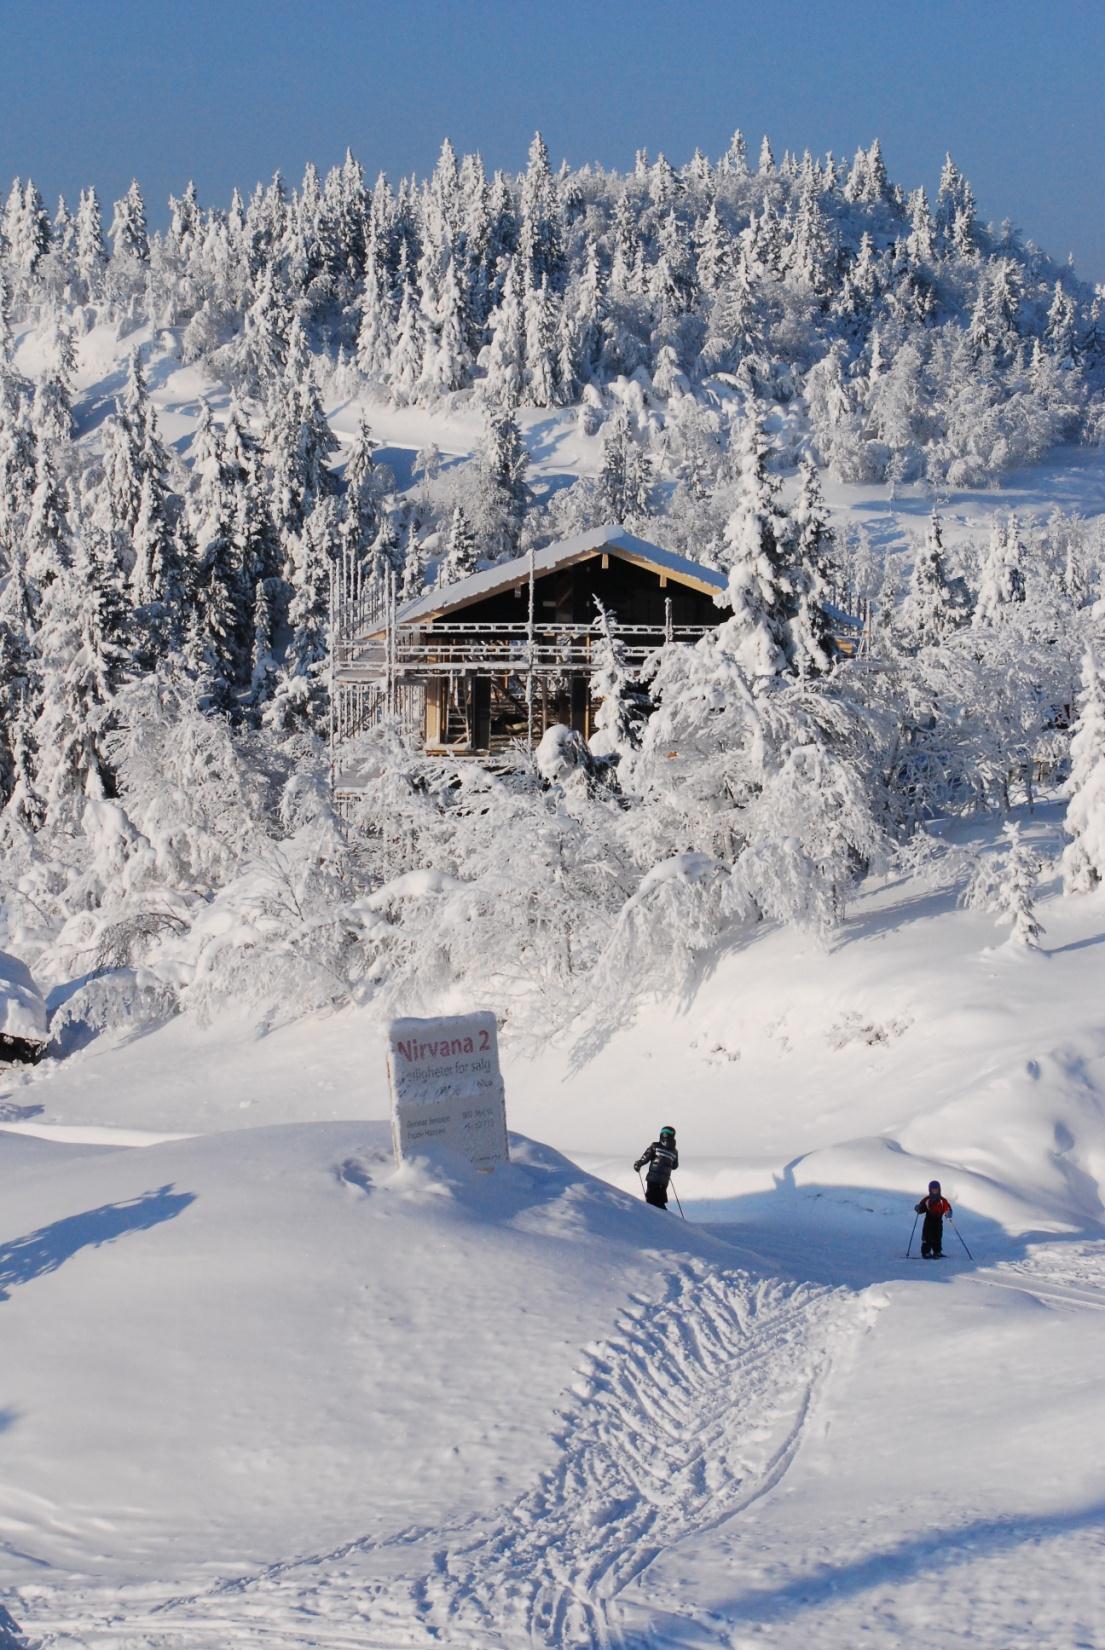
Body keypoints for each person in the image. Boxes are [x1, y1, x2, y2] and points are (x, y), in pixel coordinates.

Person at [634, 1126, 678, 1209]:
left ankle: (656, 1217)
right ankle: (665, 1216)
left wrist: (638, 1164)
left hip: (653, 1179)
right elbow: (675, 1166)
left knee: (651, 1199)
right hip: (664, 1181)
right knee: (660, 1199)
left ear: (661, 1135)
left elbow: (646, 1157)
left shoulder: (655, 1146)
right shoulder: (674, 1152)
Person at [915, 1180, 953, 1257]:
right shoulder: (927, 1199)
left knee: (938, 1236)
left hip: (938, 1221)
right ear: (930, 1189)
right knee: (927, 1237)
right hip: (929, 1221)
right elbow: (921, 1208)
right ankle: (926, 1252)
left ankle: (937, 1251)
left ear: (939, 1189)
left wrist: (948, 1213)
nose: (934, 1190)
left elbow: (947, 1209)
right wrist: (918, 1208)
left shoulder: (943, 1200)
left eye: (936, 1189)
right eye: (933, 1189)